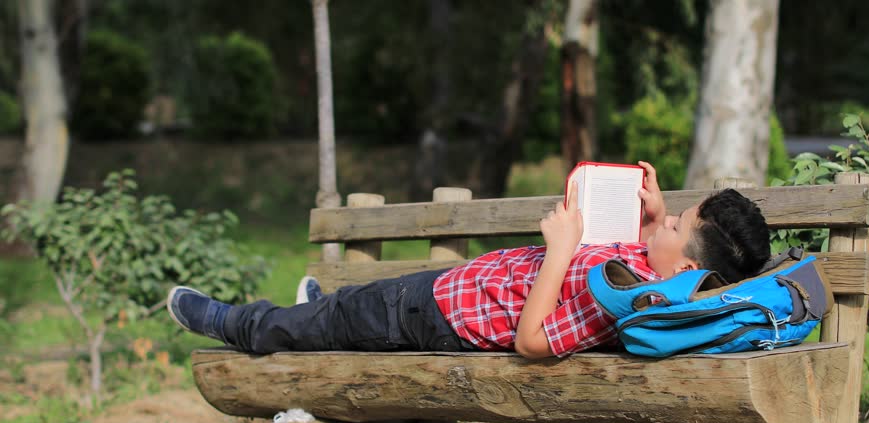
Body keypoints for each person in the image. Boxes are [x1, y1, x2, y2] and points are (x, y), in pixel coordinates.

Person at [167, 161, 770, 359]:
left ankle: (236, 325)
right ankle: (325, 316)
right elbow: (642, 258)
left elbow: (533, 343)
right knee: (354, 311)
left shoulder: (623, 301)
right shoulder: (653, 279)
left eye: (674, 223)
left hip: (452, 315)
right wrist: (649, 217)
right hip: (460, 290)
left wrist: (560, 251)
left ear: (687, 268)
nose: (665, 219)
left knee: (352, 316)